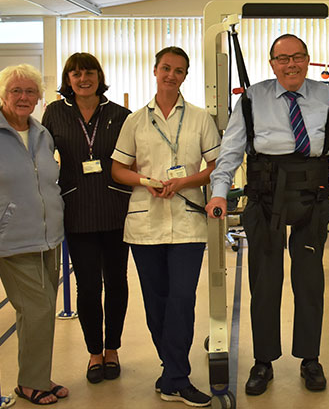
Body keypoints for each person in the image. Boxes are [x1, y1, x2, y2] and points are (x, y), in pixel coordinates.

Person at [206, 34, 329, 396]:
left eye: (298, 57)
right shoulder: (252, 99)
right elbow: (230, 152)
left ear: (307, 60)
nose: (291, 64)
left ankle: (310, 360)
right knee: (265, 284)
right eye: (283, 58)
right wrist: (219, 193)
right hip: (264, 200)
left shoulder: (327, 99)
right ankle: (263, 361)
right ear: (271, 63)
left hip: (311, 198)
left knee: (309, 283)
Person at [110, 46, 220, 407]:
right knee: (156, 302)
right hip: (145, 222)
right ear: (155, 71)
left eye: (179, 71)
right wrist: (145, 180)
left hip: (188, 220)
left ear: (186, 76)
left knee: (182, 300)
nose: (171, 75)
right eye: (166, 69)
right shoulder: (136, 121)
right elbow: (118, 169)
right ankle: (171, 372)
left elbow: (216, 166)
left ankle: (177, 376)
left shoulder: (201, 118)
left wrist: (184, 182)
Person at [0, 64, 68, 405]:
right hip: (12, 238)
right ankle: (30, 383)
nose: (23, 97)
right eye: (16, 91)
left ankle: (37, 376)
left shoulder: (41, 132)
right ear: (2, 94)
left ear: (39, 97)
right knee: (38, 309)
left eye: (30, 91)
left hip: (50, 235)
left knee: (38, 310)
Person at [42, 52, 132, 384]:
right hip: (76, 211)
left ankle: (113, 349)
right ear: (68, 80)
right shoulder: (54, 113)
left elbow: (135, 158)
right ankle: (95, 352)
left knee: (117, 283)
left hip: (115, 210)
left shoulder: (120, 115)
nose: (83, 79)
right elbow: (38, 157)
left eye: (89, 72)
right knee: (88, 286)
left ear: (99, 76)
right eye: (76, 74)